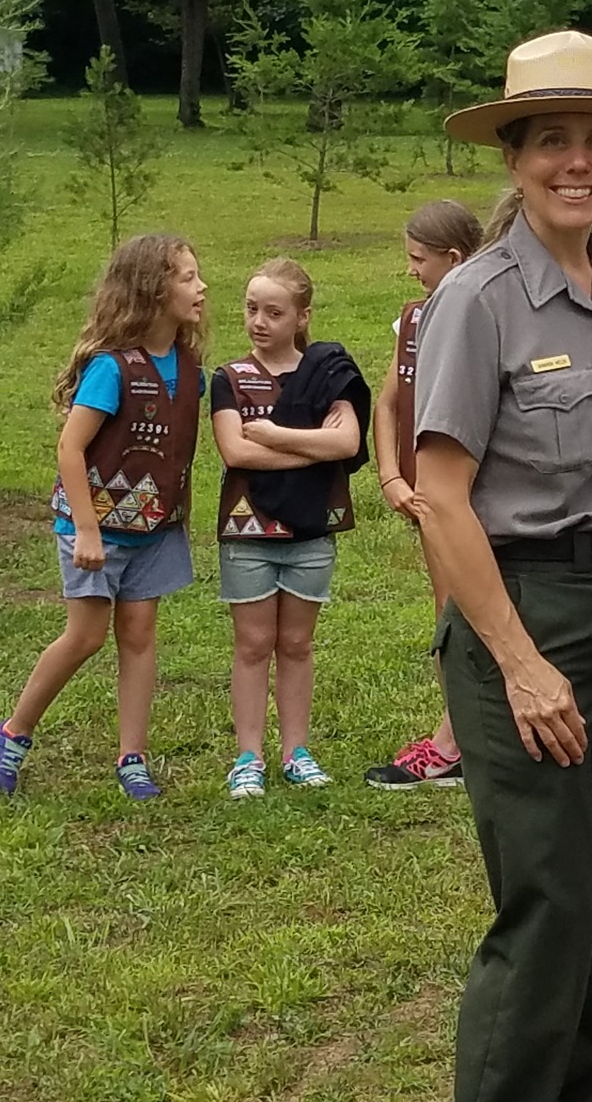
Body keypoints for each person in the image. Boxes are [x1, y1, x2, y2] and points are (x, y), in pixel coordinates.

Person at [413, 31, 592, 1102]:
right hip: (521, 612)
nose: (577, 163)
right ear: (513, 157)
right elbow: (440, 496)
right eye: (551, 143)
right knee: (546, 908)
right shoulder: (477, 300)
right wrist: (522, 664)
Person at [0, 234, 208, 801]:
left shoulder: (189, 366)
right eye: (187, 277)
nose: (201, 288)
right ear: (153, 291)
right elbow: (70, 449)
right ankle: (12, 734)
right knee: (84, 636)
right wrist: (85, 527)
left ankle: (132, 756)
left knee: (139, 634)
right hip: (96, 530)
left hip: (156, 528)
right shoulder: (112, 369)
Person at [210, 258, 370, 797]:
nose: (259, 321)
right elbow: (235, 450)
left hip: (311, 535)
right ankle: (248, 756)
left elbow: (347, 445)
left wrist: (272, 435)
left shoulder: (330, 372)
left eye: (274, 312)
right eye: (251, 309)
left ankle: (296, 751)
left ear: (302, 316)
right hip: (247, 532)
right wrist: (311, 448)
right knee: (253, 644)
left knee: (298, 644)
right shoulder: (229, 379)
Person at [366, 199, 484, 790]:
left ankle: (456, 741)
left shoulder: (484, 314)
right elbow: (388, 403)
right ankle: (461, 732)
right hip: (424, 495)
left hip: (472, 497)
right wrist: (391, 475)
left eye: (418, 258)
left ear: (454, 259)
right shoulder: (412, 320)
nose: (411, 269)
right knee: (447, 612)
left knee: (465, 612)